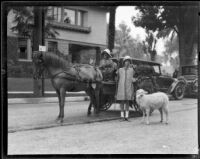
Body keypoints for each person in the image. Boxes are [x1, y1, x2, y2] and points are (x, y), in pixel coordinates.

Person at [116, 56, 137, 121]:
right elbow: (116, 76)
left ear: (130, 63)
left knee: (127, 102)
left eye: (128, 61)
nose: (127, 63)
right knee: (122, 102)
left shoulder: (131, 70)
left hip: (128, 87)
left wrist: (134, 68)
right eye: (126, 61)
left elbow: (134, 76)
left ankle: (127, 116)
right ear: (124, 62)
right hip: (121, 88)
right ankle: (122, 116)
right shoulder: (120, 70)